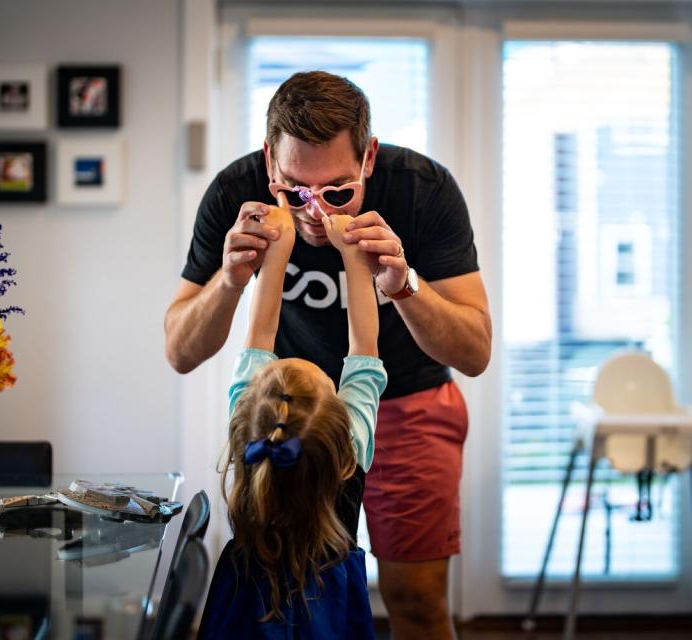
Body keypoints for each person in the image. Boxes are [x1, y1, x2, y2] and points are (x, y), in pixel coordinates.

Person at [165, 71, 492, 639]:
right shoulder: (233, 193)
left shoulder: (424, 190)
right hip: (289, 419)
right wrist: (229, 281)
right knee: (281, 586)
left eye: (337, 191)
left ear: (369, 158)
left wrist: (404, 284)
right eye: (294, 190)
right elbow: (180, 351)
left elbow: (475, 351)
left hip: (409, 401)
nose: (315, 211)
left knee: (415, 600)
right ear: (270, 162)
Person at [197, 201, 386, 638]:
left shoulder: (250, 437)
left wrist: (277, 250)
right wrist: (355, 260)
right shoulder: (350, 450)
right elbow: (364, 351)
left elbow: (258, 334)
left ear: (244, 417)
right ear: (342, 448)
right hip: (335, 611)